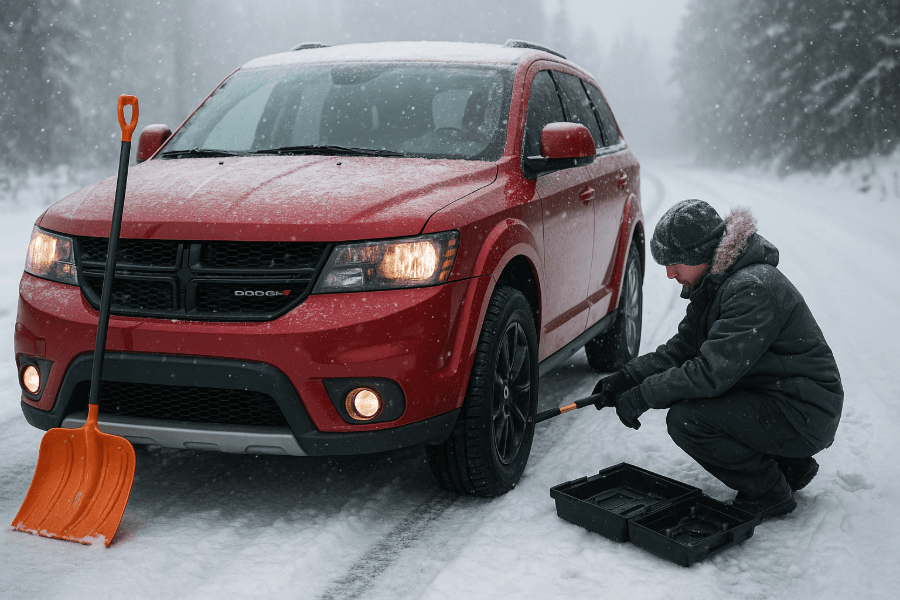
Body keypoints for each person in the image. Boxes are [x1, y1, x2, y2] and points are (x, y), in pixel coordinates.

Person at [594, 199, 843, 518]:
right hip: (783, 398)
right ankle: (791, 465)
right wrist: (628, 377)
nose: (670, 273)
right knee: (704, 400)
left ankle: (768, 491)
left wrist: (644, 395)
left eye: (675, 263)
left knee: (689, 420)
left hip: (806, 412)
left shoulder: (751, 289)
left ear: (700, 254)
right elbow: (682, 349)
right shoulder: (716, 284)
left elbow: (710, 373)